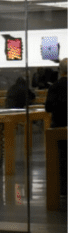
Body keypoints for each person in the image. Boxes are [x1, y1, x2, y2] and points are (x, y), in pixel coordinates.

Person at [45, 58, 67, 197]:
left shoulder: (54, 86)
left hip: (59, 126)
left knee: (62, 159)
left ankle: (63, 190)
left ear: (60, 70)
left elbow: (48, 108)